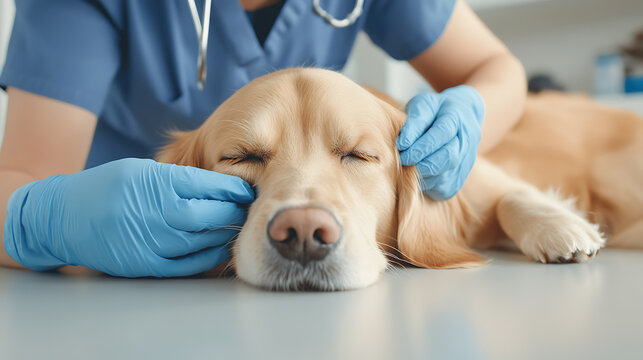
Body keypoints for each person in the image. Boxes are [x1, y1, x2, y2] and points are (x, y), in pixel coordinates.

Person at [0, 0, 526, 277]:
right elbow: (18, 178)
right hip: (106, 252)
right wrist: (48, 221)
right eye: (247, 155)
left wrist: (471, 114)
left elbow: (493, 67)